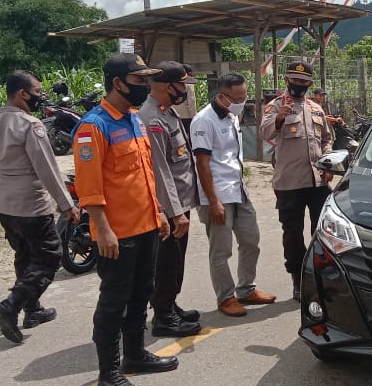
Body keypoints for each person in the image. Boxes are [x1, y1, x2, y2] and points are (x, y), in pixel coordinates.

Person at [74, 52, 178, 386]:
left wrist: (159, 212)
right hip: (116, 234)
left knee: (141, 293)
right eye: (138, 80)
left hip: (146, 225)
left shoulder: (134, 119)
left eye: (147, 80)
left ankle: (135, 354)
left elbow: (144, 175)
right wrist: (102, 229)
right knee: (113, 302)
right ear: (117, 83)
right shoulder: (93, 127)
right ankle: (109, 372)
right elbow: (89, 188)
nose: (145, 86)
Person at [0, 71, 77, 344]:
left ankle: (32, 309)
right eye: (37, 91)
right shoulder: (31, 126)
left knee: (24, 256)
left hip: (5, 206)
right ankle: (10, 306)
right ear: (23, 93)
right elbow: (47, 168)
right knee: (49, 256)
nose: (40, 96)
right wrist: (67, 204)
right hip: (31, 204)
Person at [190, 72, 277, 316]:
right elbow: (202, 164)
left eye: (244, 96)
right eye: (237, 98)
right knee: (221, 250)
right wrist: (213, 202)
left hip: (238, 189)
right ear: (221, 96)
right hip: (217, 194)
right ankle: (226, 297)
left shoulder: (231, 116)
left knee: (251, 240)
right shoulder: (203, 120)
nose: (241, 102)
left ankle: (246, 289)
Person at [259, 60, 333, 301]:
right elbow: (265, 133)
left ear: (310, 84)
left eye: (304, 81)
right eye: (295, 80)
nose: (299, 84)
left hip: (317, 182)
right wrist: (280, 118)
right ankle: (298, 278)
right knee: (292, 234)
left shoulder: (316, 108)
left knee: (322, 233)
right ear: (286, 80)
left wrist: (328, 162)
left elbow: (326, 139)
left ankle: (320, 276)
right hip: (289, 184)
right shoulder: (274, 106)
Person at [139, 61, 203, 337]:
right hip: (168, 207)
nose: (185, 91)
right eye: (182, 86)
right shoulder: (152, 119)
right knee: (166, 263)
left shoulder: (166, 112)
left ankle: (169, 305)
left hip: (179, 202)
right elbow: (160, 170)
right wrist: (175, 212)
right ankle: (163, 318)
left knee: (175, 261)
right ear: (167, 87)